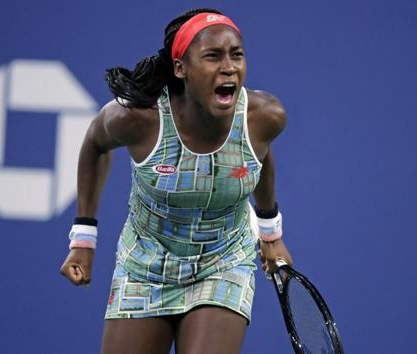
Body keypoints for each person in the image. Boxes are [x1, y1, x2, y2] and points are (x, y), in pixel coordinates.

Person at [60, 8, 293, 354]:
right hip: (145, 264)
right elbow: (95, 144)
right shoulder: (138, 118)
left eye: (236, 55)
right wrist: (83, 237)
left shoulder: (265, 117)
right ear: (181, 68)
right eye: (213, 56)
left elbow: (258, 156)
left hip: (223, 261)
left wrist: (270, 233)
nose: (229, 67)